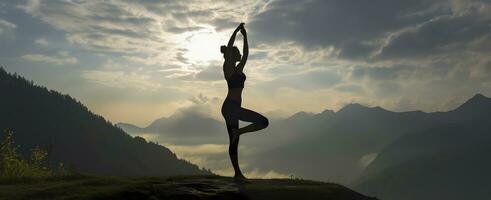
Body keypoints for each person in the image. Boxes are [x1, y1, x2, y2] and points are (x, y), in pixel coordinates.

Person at [220, 23, 269, 182]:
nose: (241, 54)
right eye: (237, 52)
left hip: (234, 108)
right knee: (263, 122)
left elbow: (247, 53)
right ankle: (238, 173)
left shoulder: (239, 69)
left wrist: (245, 36)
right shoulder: (228, 68)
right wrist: (235, 31)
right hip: (230, 108)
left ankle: (237, 173)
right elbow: (229, 48)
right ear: (231, 56)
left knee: (235, 140)